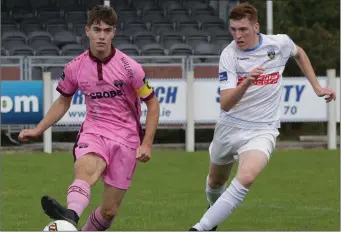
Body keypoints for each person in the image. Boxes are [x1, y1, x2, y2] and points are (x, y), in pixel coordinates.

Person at [189, 2, 336, 231]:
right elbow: (226, 104)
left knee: (246, 177)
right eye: (233, 29)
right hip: (230, 127)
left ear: (256, 27)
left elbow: (299, 53)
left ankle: (200, 228)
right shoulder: (229, 56)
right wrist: (247, 81)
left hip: (262, 129)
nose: (237, 36)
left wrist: (317, 87)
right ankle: (212, 209)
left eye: (243, 30)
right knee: (215, 182)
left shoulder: (279, 44)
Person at [18, 5, 160, 231]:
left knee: (109, 211)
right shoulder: (75, 67)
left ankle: (74, 224)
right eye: (97, 29)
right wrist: (39, 129)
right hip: (94, 131)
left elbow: (152, 104)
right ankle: (71, 214)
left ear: (114, 32)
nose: (101, 35)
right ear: (87, 31)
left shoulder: (130, 67)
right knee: (86, 169)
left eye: (107, 30)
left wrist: (147, 143)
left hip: (126, 139)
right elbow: (63, 100)